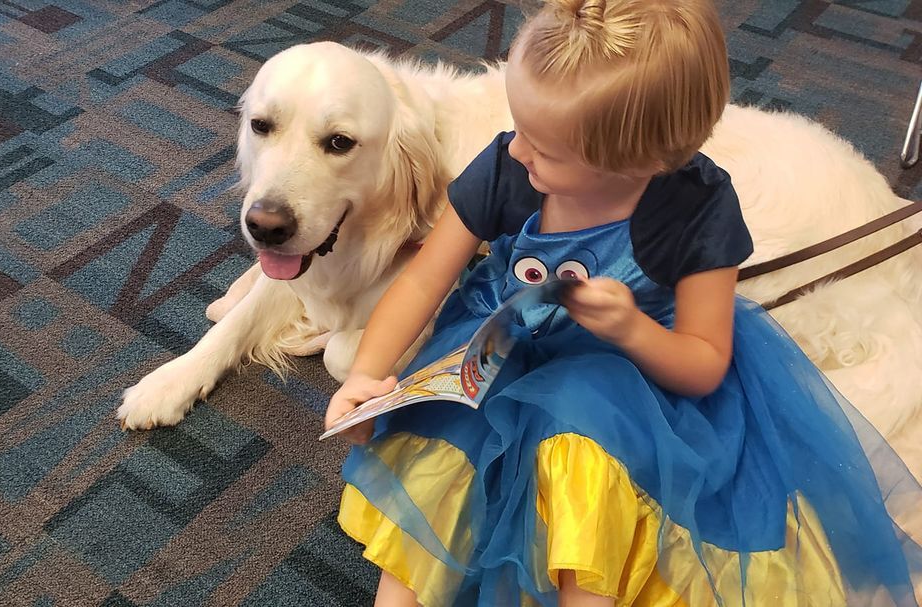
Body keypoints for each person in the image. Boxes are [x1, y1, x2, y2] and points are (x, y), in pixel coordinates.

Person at [324, 0, 922, 605]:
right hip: (505, 358)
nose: (517, 151)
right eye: (520, 128)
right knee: (436, 467)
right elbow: (425, 279)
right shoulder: (510, 164)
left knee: (587, 450)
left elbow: (704, 363)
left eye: (546, 149)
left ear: (643, 161)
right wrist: (369, 374)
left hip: (631, 388)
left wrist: (632, 330)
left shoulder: (700, 210)